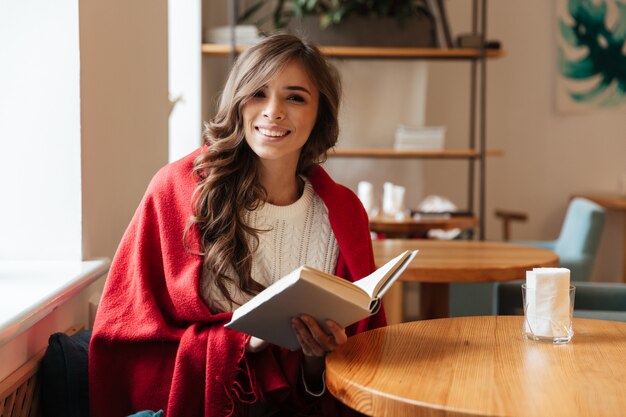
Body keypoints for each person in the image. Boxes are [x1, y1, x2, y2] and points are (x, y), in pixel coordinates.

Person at [89, 33, 386, 417]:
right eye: (258, 94)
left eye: (295, 97)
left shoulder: (344, 213)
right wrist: (244, 342)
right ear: (238, 102)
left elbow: (354, 366)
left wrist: (316, 361)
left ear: (320, 115)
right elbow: (123, 334)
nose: (274, 111)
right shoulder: (176, 190)